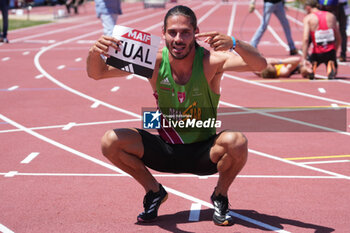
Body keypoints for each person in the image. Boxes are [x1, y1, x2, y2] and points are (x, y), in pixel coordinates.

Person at [87, 5, 266, 226]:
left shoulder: (212, 61)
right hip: (166, 150)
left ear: (196, 33)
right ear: (163, 34)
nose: (178, 38)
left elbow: (260, 65)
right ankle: (154, 192)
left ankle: (220, 195)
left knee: (237, 142)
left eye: (185, 32)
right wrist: (95, 51)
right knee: (110, 142)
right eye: (172, 32)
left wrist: (235, 43)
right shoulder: (152, 61)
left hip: (204, 152)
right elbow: (97, 73)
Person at [302, 0, 341, 79]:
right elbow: (339, 38)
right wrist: (335, 51)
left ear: (308, 8)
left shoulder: (308, 18)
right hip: (331, 51)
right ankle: (331, 65)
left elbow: (306, 39)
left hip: (317, 52)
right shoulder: (331, 16)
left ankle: (311, 67)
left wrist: (304, 58)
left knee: (303, 71)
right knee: (333, 70)